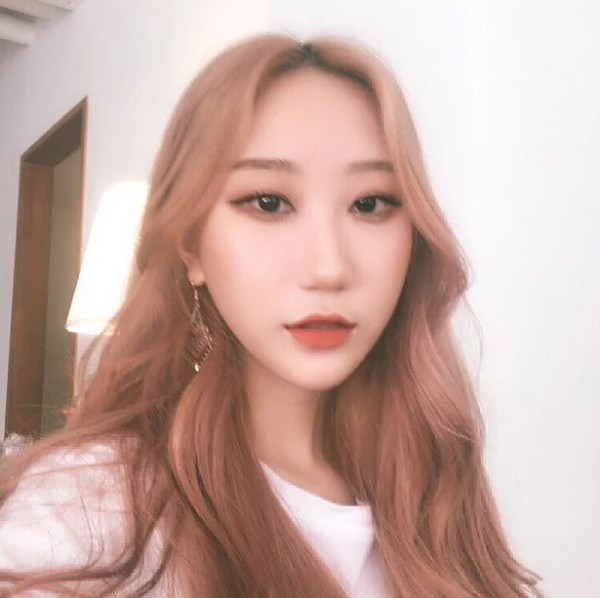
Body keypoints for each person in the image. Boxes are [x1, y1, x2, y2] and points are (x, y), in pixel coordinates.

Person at [0, 34, 542, 597]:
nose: (329, 268)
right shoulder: (93, 505)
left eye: (370, 203)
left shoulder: (432, 487)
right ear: (190, 245)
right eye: (268, 202)